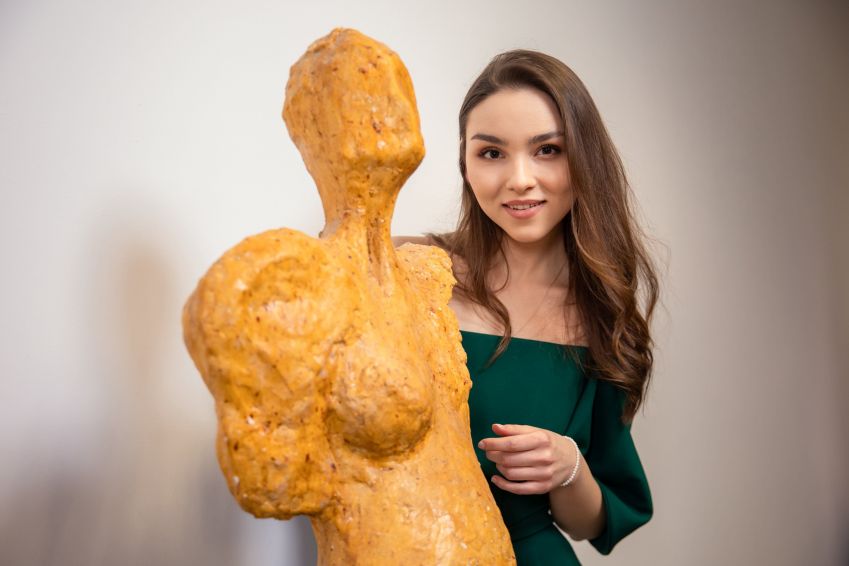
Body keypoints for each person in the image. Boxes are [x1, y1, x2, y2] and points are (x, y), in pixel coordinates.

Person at [394, 48, 659, 565]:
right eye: (492, 153)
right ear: (465, 164)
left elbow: (591, 524)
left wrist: (568, 466)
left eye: (548, 150)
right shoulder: (407, 269)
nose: (519, 178)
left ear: (584, 160)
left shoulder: (601, 315)